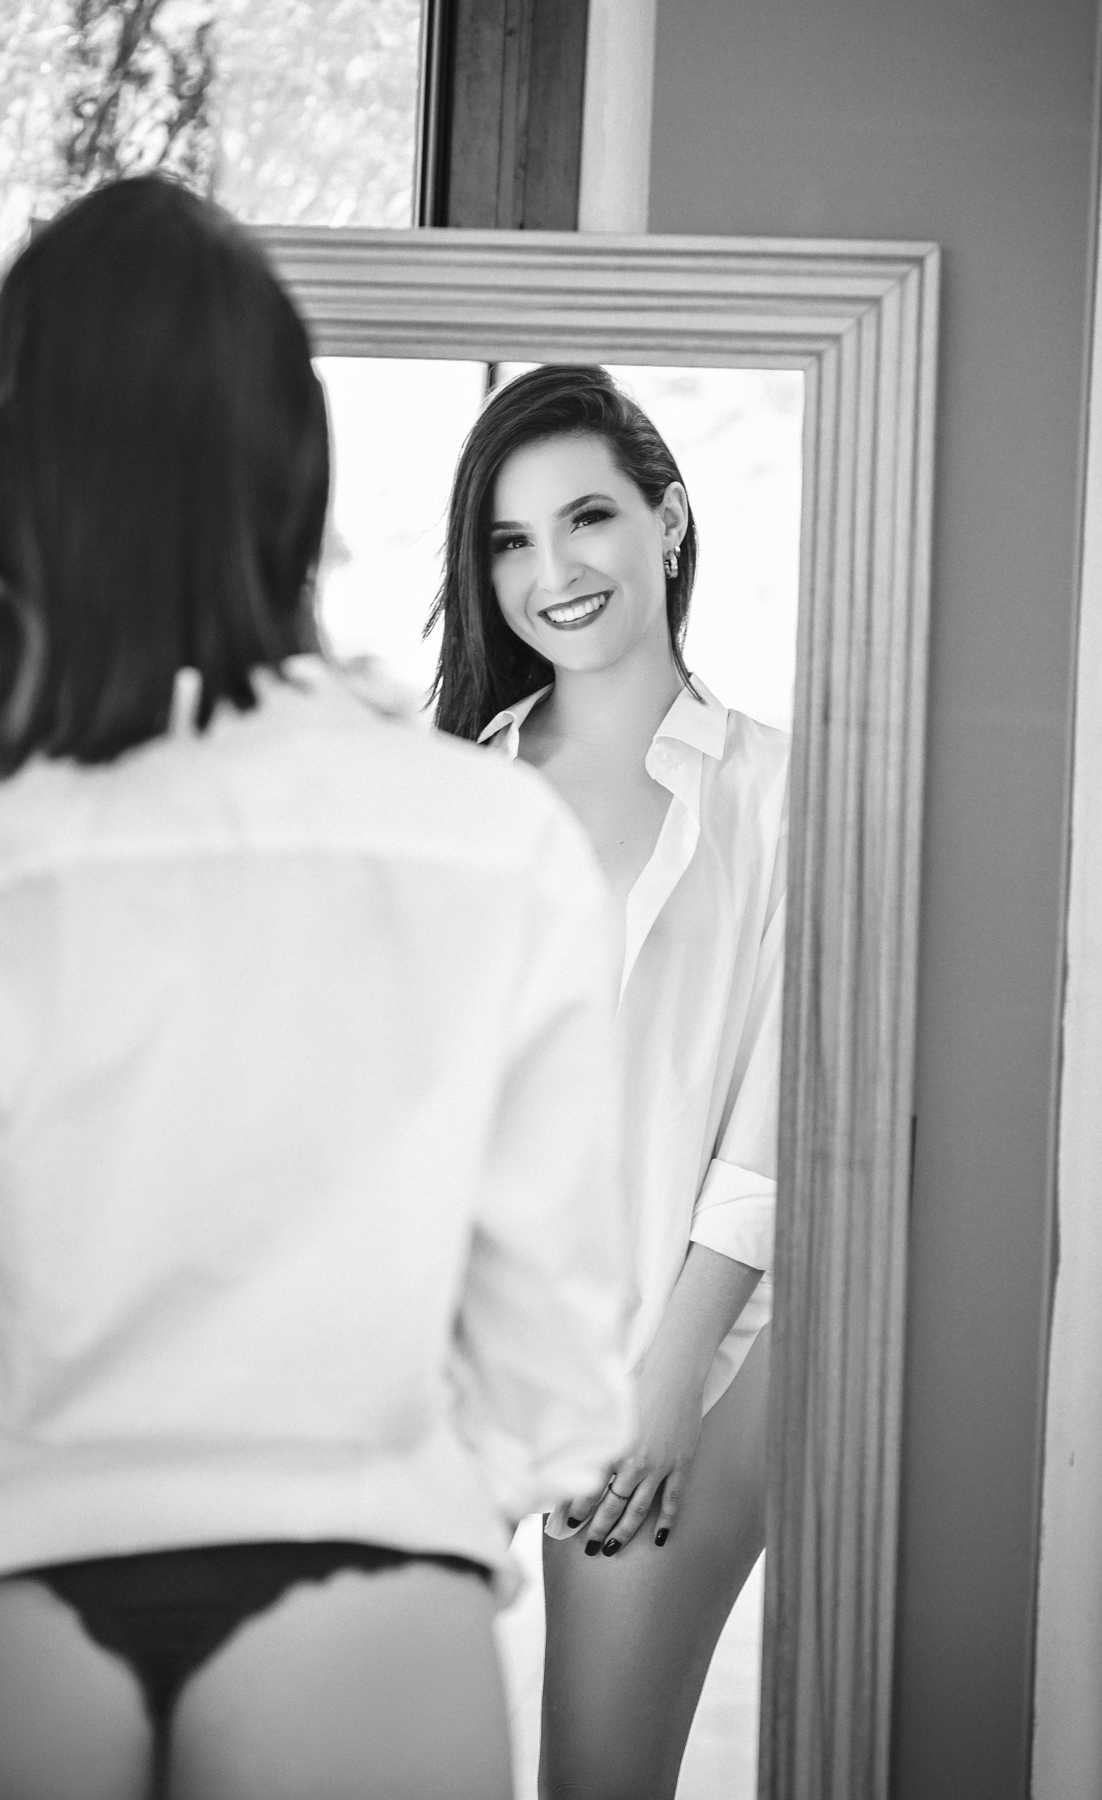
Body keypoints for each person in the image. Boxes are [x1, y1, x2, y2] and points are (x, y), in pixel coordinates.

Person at [0, 183, 635, 1800]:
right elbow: (553, 1356)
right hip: (369, 1587)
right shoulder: (492, 837)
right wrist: (415, 1502)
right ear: (292, 464)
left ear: (10, 471)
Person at [429, 362, 789, 1800]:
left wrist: (663, 1383)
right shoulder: (450, 788)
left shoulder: (780, 793)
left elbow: (778, 1113)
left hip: (678, 1349)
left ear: (669, 519)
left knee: (599, 1776)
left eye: (587, 518)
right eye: (510, 541)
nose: (554, 573)